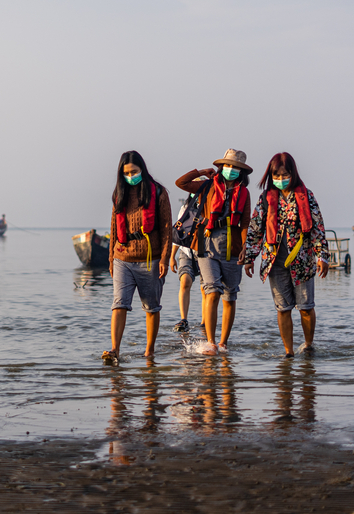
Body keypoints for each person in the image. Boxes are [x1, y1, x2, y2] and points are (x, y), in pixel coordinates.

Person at [243, 153, 329, 357]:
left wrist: (322, 256)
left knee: (306, 307)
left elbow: (317, 227)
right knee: (283, 308)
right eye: (277, 175)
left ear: (293, 174)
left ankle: (308, 345)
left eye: (285, 175)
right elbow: (255, 228)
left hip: (303, 260)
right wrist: (249, 258)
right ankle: (288, 352)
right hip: (275, 261)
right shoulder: (265, 198)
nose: (281, 179)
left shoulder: (306, 195)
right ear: (270, 175)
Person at [176, 149, 253, 355]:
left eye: (235, 167)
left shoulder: (244, 193)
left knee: (230, 295)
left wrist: (247, 250)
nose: (231, 169)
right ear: (221, 167)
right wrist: (200, 171)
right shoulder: (207, 185)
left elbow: (245, 223)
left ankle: (223, 342)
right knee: (212, 290)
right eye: (227, 165)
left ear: (241, 171)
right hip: (205, 242)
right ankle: (210, 342)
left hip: (232, 246)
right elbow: (181, 183)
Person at [103, 151, 172, 366]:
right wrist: (110, 259)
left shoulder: (158, 193)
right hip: (122, 257)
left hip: (150, 259)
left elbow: (167, 229)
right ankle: (115, 350)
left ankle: (149, 352)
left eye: (134, 172)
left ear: (142, 169)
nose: (130, 176)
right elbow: (114, 228)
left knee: (151, 307)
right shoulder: (118, 195)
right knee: (119, 304)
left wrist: (164, 259)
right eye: (126, 173)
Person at [170, 191, 203, 332]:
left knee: (205, 288)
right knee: (185, 281)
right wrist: (172, 257)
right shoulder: (185, 209)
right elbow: (179, 233)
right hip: (186, 251)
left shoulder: (210, 206)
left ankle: (205, 321)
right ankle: (183, 319)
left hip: (204, 252)